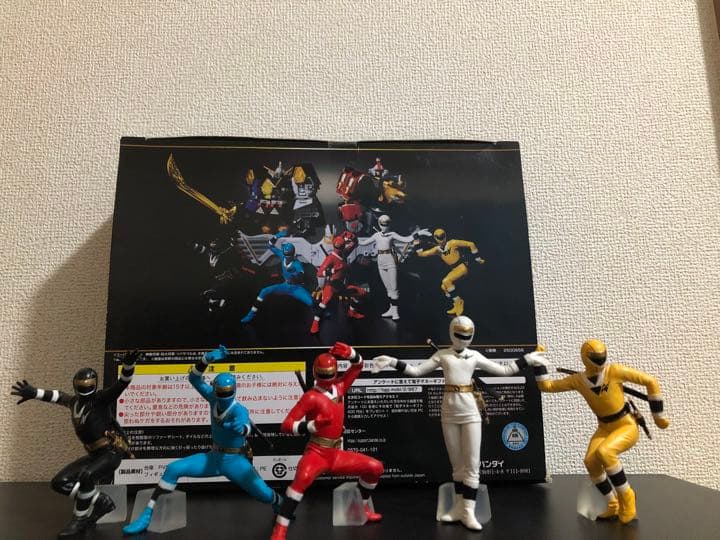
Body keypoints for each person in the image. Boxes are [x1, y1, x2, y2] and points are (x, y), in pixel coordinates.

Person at [373, 316, 546, 531]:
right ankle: (458, 507)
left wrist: (527, 359)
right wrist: (392, 361)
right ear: (451, 333)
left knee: (472, 464)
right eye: (459, 335)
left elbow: (504, 370)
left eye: (467, 336)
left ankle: (468, 510)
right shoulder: (442, 355)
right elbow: (416, 371)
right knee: (457, 465)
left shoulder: (474, 356)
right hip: (448, 412)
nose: (463, 339)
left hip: (470, 412)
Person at [122, 345, 281, 535]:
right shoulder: (213, 398)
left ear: (234, 391)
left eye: (226, 393)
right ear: (215, 390)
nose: (222, 396)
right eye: (219, 392)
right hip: (213, 458)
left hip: (235, 461)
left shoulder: (239, 410)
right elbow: (194, 378)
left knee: (264, 495)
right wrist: (206, 359)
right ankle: (146, 516)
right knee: (174, 468)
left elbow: (245, 425)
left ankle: (279, 502)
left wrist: (241, 428)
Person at [527, 339, 670, 524]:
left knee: (605, 452)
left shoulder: (614, 371)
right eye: (595, 357)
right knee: (591, 462)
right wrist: (538, 362)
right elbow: (547, 386)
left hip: (625, 425)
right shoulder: (578, 380)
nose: (600, 360)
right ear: (585, 358)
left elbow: (650, 381)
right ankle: (613, 503)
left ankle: (627, 497)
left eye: (602, 356)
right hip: (604, 428)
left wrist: (658, 416)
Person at [11, 350, 139, 537]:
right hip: (94, 455)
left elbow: (122, 384)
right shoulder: (74, 403)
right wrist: (34, 392)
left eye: (88, 385)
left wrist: (128, 365)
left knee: (87, 476)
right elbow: (58, 396)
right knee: (60, 482)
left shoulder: (101, 400)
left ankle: (79, 519)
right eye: (81, 385)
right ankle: (100, 501)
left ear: (94, 385)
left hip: (110, 453)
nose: (84, 389)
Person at [270, 342, 383, 540]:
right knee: (300, 482)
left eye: (329, 374)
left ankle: (361, 507)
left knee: (375, 468)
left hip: (335, 453)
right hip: (317, 452)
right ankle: (280, 529)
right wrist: (311, 426)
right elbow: (286, 425)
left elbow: (358, 366)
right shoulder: (311, 398)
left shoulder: (339, 387)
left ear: (335, 373)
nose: (326, 379)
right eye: (322, 375)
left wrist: (352, 354)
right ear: (315, 374)